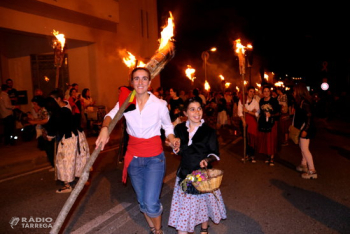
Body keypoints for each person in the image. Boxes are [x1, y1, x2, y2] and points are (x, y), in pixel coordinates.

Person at [95, 67, 179, 234]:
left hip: (154, 157)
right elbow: (110, 116)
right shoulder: (126, 102)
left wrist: (172, 138)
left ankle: (159, 230)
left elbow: (168, 126)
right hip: (133, 158)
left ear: (149, 82)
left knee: (151, 202)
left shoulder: (159, 104)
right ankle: (152, 228)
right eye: (136, 79)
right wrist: (105, 128)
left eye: (144, 79)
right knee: (142, 201)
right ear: (131, 82)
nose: (140, 82)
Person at [168, 97, 227, 234]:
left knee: (202, 203)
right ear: (185, 113)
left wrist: (207, 160)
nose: (197, 112)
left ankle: (204, 228)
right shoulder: (179, 128)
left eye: (199, 108)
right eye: (192, 109)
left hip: (201, 176)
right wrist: (175, 147)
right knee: (186, 210)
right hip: (184, 174)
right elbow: (178, 148)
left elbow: (215, 153)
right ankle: (189, 229)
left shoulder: (209, 131)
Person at [46, 88, 90, 193]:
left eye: (53, 100)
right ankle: (81, 179)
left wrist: (50, 135)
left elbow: (52, 131)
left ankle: (67, 185)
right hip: (76, 135)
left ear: (58, 99)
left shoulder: (60, 111)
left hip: (69, 138)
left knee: (65, 160)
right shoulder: (66, 104)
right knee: (77, 158)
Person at [293, 83, 317, 179]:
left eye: (295, 90)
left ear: (299, 91)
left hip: (305, 129)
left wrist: (305, 130)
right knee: (302, 146)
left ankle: (312, 171)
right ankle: (303, 165)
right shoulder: (302, 101)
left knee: (305, 149)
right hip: (303, 128)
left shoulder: (305, 103)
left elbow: (309, 118)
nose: (293, 92)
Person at [257, 86, 280, 166]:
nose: (266, 93)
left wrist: (271, 115)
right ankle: (267, 155)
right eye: (264, 91)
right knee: (265, 139)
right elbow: (260, 111)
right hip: (264, 122)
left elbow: (278, 112)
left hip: (272, 122)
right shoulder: (261, 100)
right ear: (262, 93)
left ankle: (272, 157)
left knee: (271, 139)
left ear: (270, 92)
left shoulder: (274, 101)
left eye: (267, 91)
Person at [238, 86, 259, 163]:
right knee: (245, 138)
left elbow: (257, 114)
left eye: (253, 92)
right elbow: (240, 112)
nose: (252, 93)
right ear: (247, 91)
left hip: (252, 122)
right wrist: (243, 121)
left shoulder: (255, 102)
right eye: (250, 91)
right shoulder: (242, 100)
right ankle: (246, 154)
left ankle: (252, 155)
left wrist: (248, 111)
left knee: (252, 138)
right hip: (244, 121)